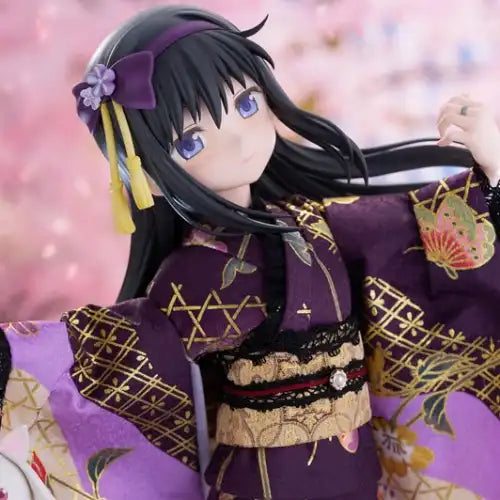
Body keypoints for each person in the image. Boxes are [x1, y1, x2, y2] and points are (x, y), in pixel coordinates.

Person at [0, 5, 498, 499]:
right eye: (191, 142)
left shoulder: (320, 223)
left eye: (244, 104)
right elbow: (123, 351)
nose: (237, 140)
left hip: (352, 464)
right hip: (264, 477)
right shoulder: (193, 273)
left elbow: (409, 236)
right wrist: (15, 356)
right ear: (145, 174)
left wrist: (490, 180)